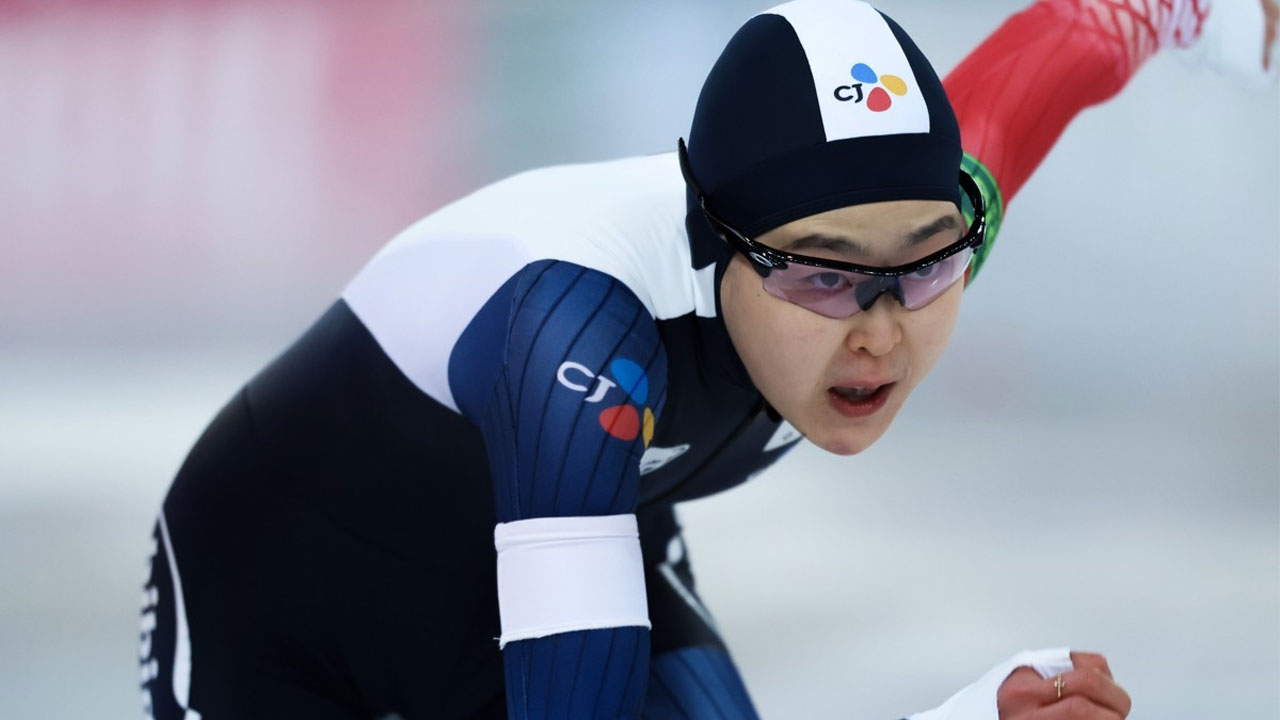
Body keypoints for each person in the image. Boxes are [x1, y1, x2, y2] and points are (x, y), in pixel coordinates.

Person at [137, 0, 1276, 718]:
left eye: (925, 270)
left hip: (570, 537)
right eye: (821, 275)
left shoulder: (916, 229)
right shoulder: (574, 340)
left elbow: (1082, 33)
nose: (878, 328)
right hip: (280, 619)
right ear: (708, 247)